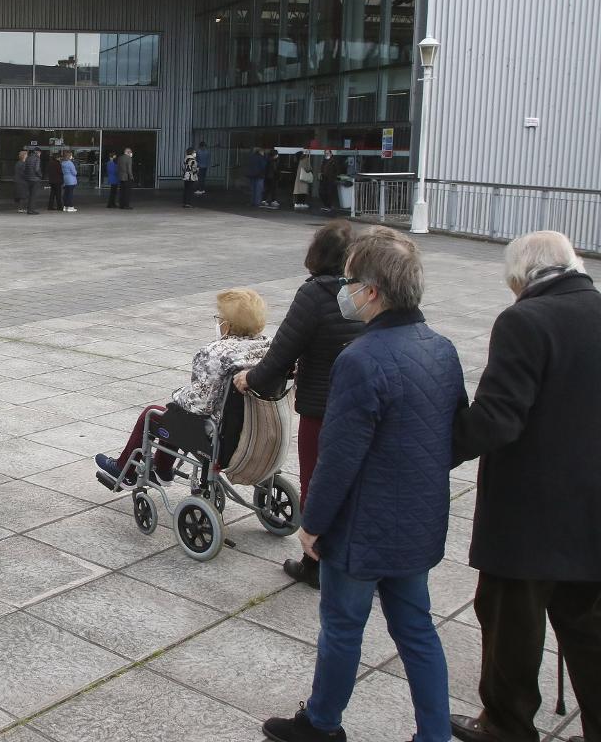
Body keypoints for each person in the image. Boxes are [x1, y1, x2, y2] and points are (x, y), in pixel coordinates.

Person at [263, 228, 464, 742]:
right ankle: (435, 734)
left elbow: (338, 458)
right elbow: (454, 433)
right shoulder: (440, 348)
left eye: (350, 280)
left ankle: (323, 723)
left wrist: (313, 525)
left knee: (343, 627)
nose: (343, 290)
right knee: (417, 630)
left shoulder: (360, 359)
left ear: (371, 291)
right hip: (417, 522)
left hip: (362, 527)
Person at [448, 231, 600, 742]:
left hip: (531, 512)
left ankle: (507, 726)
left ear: (520, 278)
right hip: (593, 509)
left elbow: (497, 419)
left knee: (513, 622)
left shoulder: (525, 320)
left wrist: (435, 452)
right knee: (590, 629)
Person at [234, 221, 363, 588]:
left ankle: (315, 564)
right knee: (354, 482)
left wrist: (251, 379)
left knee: (317, 481)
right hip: (363, 404)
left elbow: (281, 353)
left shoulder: (315, 294)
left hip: (323, 405)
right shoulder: (366, 292)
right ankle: (356, 559)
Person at [96, 288, 270, 485]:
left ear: (228, 325)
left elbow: (199, 405)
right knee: (174, 415)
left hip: (219, 436)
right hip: (257, 431)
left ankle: (124, 469)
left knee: (155, 413)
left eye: (219, 318)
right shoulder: (270, 349)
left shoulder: (215, 352)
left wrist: (179, 396)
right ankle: (162, 469)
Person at [25, 149, 42, 214]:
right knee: (33, 195)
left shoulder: (28, 158)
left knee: (30, 195)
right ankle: (31, 210)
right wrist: (40, 175)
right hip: (35, 179)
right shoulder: (37, 158)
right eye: (40, 153)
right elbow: (37, 169)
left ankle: (29, 209)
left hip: (28, 179)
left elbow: (25, 168)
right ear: (38, 152)